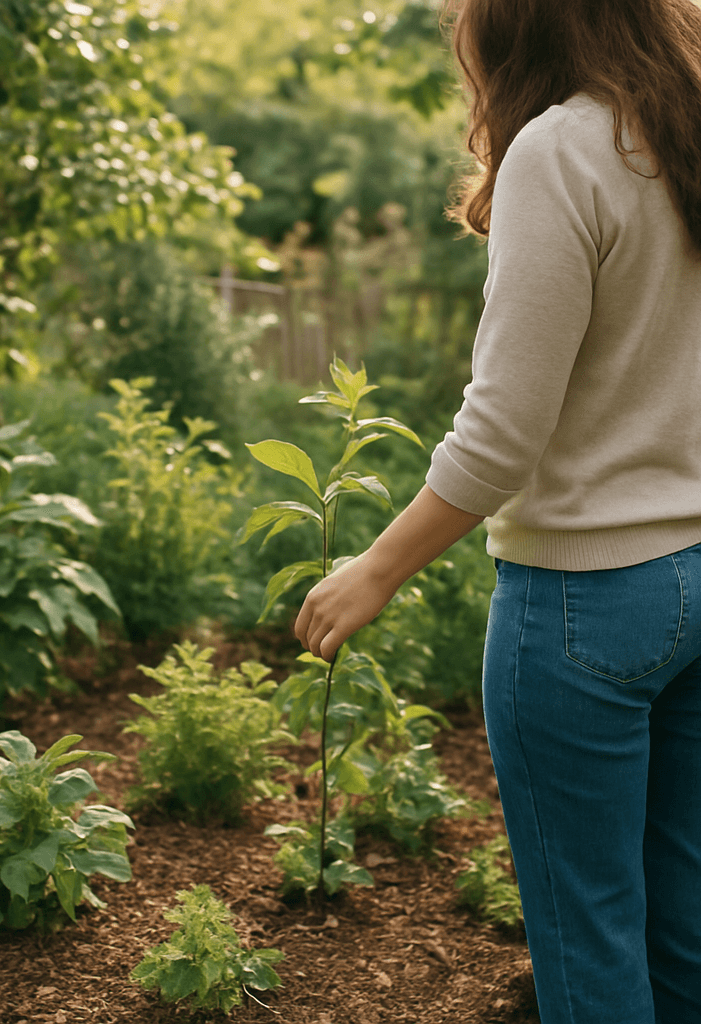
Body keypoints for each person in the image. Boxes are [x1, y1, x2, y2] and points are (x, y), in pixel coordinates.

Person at [292, 1, 701, 1021]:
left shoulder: (563, 150)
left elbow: (504, 430)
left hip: (582, 607)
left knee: (589, 934)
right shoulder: (684, 135)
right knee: (686, 929)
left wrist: (375, 567)